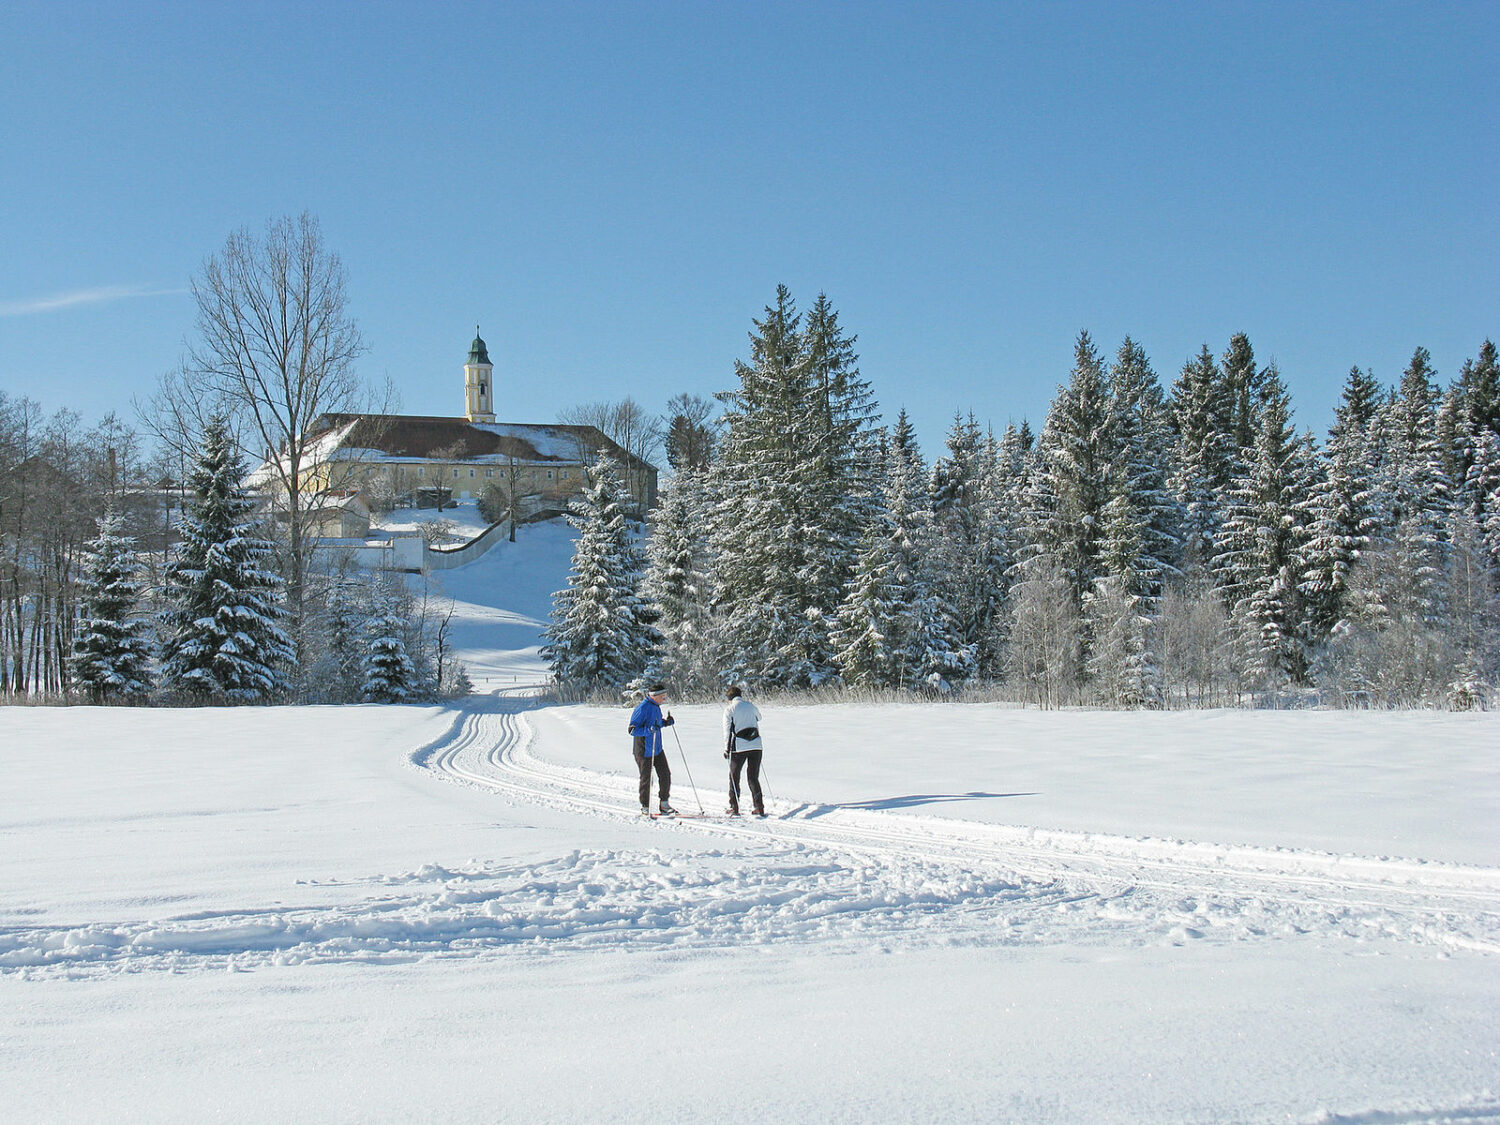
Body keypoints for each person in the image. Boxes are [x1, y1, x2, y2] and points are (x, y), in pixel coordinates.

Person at [628, 682, 675, 816]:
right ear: (655, 696)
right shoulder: (642, 708)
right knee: (647, 778)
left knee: (665, 774)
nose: (664, 699)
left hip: (657, 748)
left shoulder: (656, 707)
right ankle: (645, 806)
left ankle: (664, 804)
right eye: (663, 696)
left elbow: (657, 723)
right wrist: (648, 730)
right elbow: (632, 730)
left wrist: (666, 722)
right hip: (643, 750)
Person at [722, 685, 765, 817]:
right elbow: (759, 718)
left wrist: (726, 748)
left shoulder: (729, 709)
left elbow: (727, 730)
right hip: (756, 745)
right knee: (753, 777)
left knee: (734, 777)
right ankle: (759, 807)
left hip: (739, 747)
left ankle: (734, 806)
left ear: (729, 698)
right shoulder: (750, 706)